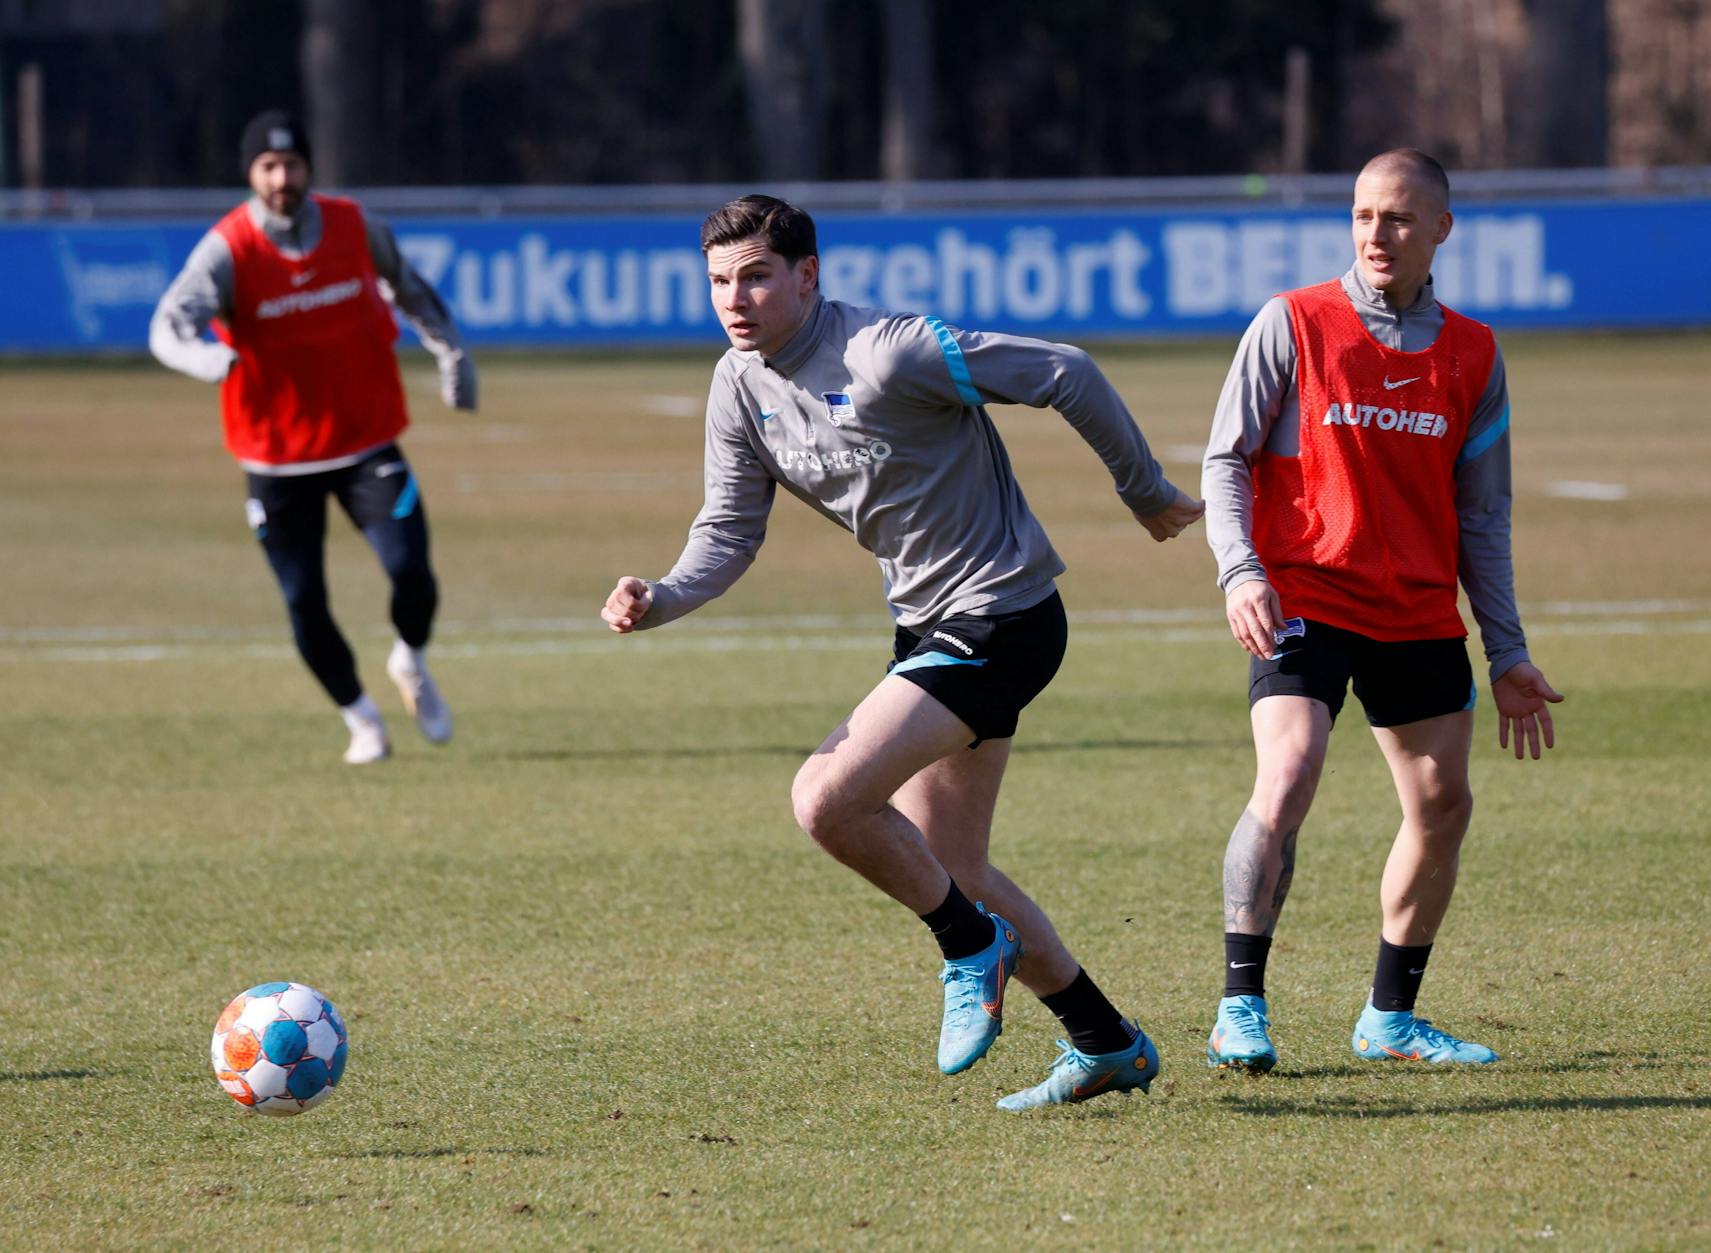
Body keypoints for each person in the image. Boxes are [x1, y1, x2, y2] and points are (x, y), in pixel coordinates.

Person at [601, 195, 1204, 1109]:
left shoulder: (889, 352)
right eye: (721, 280)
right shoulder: (738, 384)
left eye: (758, 275)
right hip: (928, 625)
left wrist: (1145, 489)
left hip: (1004, 612)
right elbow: (727, 529)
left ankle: (971, 948)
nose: (738, 298)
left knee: (826, 799)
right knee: (954, 867)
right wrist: (664, 596)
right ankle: (1105, 1039)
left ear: (808, 275)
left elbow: (1065, 371)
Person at [1199, 149, 1563, 1071]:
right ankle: (1240, 1006)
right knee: (1288, 775)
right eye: (1363, 215)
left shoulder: (1473, 352)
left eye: (1398, 218)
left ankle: (1390, 1019)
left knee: (1443, 804)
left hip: (1418, 611)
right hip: (1305, 594)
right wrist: (1241, 570)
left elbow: (1483, 513)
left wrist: (1507, 650)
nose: (1376, 234)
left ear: (1441, 228)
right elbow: (1225, 459)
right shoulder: (1294, 322)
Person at [150, 110, 476, 764]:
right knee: (304, 601)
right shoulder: (229, 249)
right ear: (250, 173)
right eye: (267, 167)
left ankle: (409, 662)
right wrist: (209, 361)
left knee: (412, 571)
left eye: (291, 164)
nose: (281, 178)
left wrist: (451, 354)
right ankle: (362, 720)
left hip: (366, 445)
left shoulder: (355, 225)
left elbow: (410, 289)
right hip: (275, 459)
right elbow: (167, 326)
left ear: (308, 167)